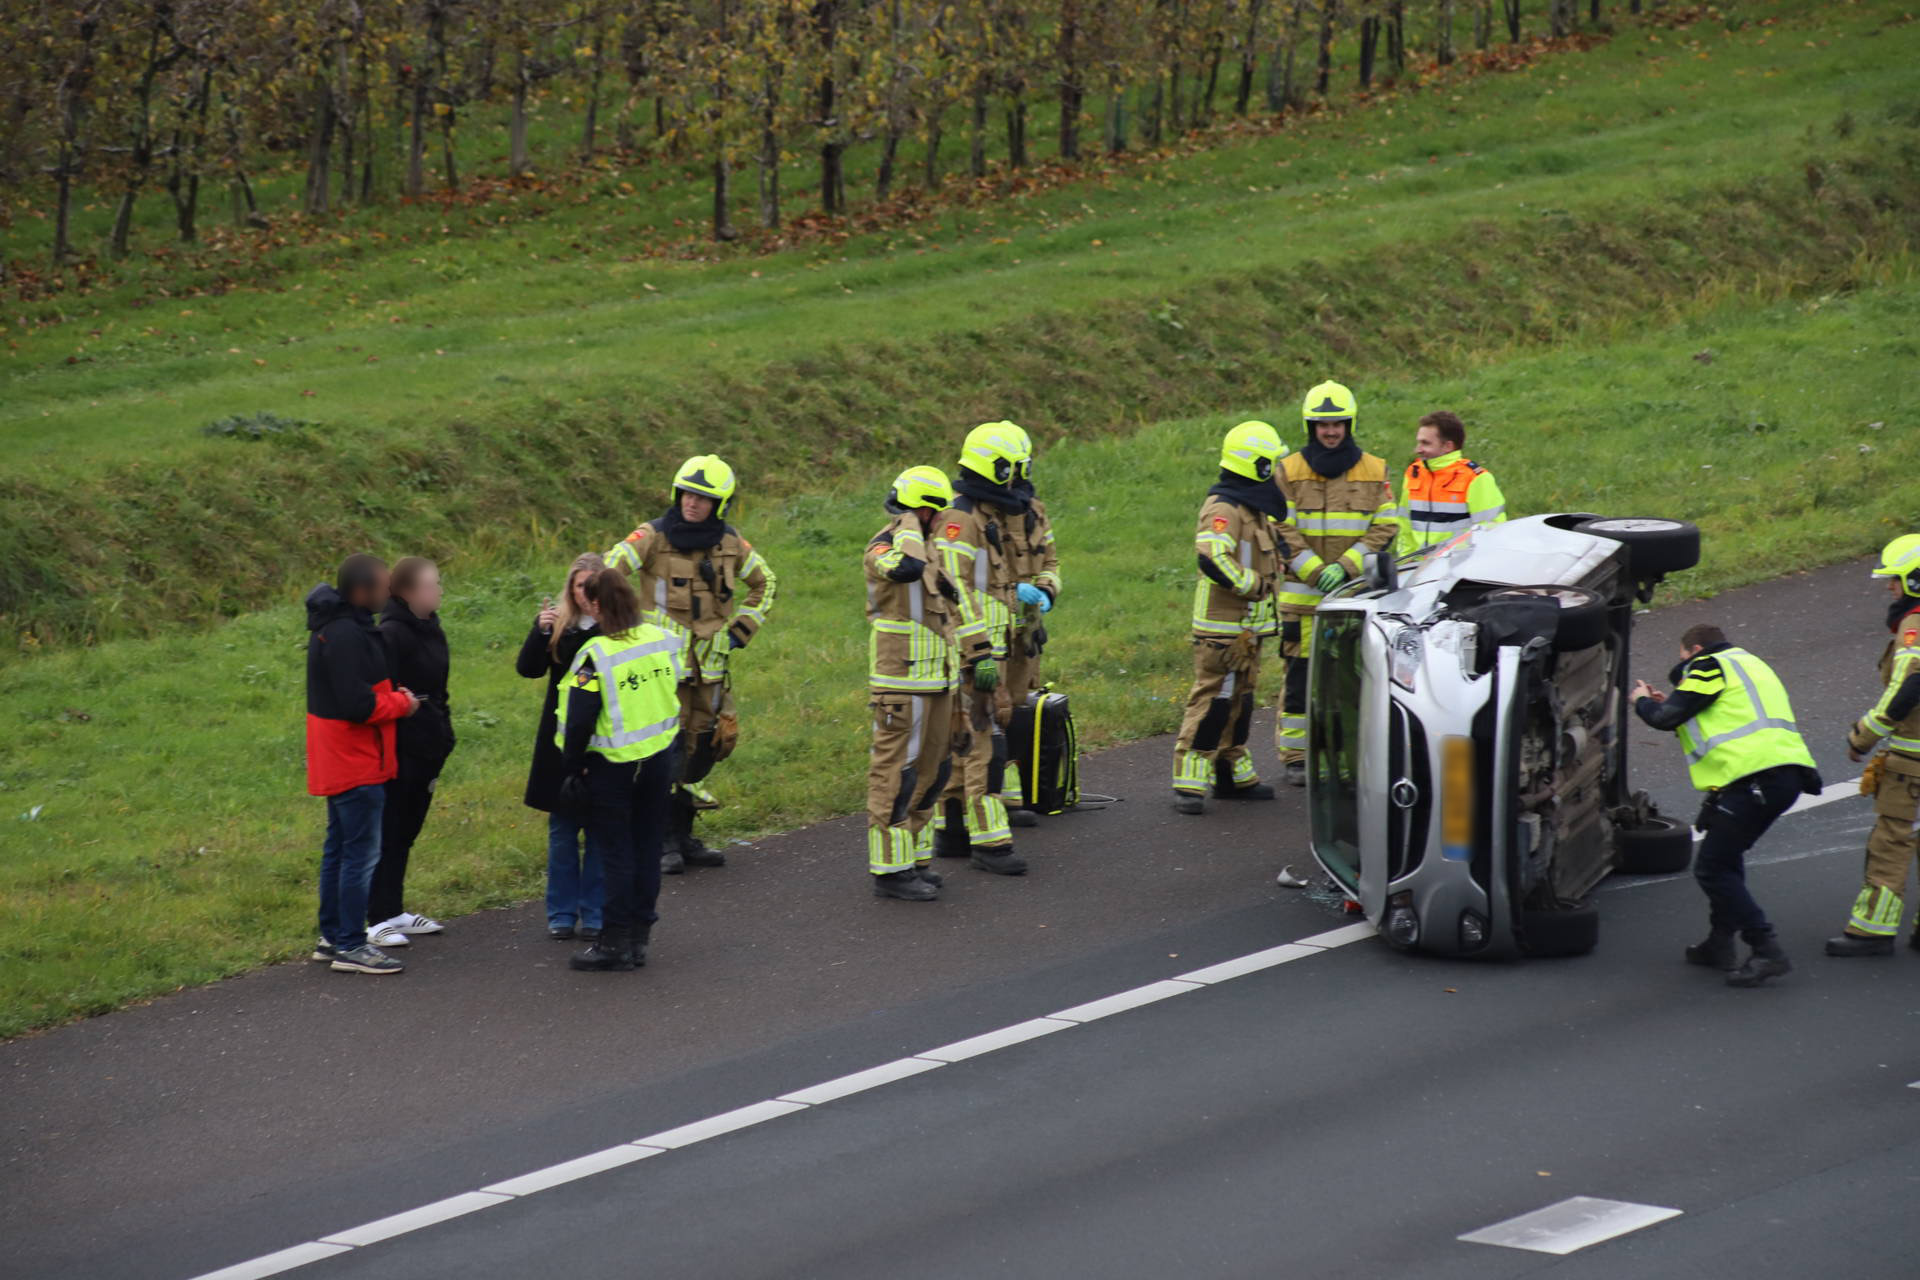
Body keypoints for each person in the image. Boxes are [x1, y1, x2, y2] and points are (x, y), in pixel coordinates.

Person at [606, 455, 777, 875]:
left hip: (711, 669)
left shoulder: (732, 543)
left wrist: (739, 632)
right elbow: (610, 569)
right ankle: (659, 839)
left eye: (702, 498)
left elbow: (766, 583)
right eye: (686, 494)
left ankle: (683, 835)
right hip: (661, 672)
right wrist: (624, 631)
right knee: (664, 749)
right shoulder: (653, 536)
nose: (691, 503)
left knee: (704, 748)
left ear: (719, 505)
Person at [1634, 623, 1820, 987]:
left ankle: (1766, 948)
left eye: (1682, 657)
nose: (1683, 666)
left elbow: (1665, 718)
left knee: (1713, 867)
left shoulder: (1708, 665)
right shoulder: (1749, 663)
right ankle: (1719, 944)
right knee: (1726, 859)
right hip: (1776, 775)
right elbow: (1712, 714)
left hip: (1756, 778)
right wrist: (1670, 702)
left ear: (1696, 648)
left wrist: (1640, 700)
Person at [555, 568, 681, 971]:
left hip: (613, 768)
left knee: (616, 855)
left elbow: (578, 719)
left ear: (594, 605)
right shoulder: (661, 639)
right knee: (647, 850)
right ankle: (640, 937)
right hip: (659, 759)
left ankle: (614, 943)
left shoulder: (595, 657)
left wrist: (573, 768)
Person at [1274, 380, 1400, 786]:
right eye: (1323, 425)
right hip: (1301, 599)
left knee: (1349, 678)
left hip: (1354, 598)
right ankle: (1296, 757)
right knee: (1300, 681)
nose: (1331, 432)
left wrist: (1345, 567)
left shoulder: (1375, 470)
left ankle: (1345, 756)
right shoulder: (1288, 470)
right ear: (1310, 427)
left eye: (1338, 424)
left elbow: (1386, 525)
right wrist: (1314, 570)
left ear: (1350, 424)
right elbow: (1279, 526)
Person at [305, 554, 422, 976]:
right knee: (359, 856)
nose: (389, 591)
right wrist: (402, 703)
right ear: (361, 591)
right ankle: (352, 945)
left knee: (338, 851)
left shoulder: (335, 629)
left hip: (338, 760)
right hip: (355, 762)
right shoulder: (347, 636)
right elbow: (358, 704)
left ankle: (332, 935)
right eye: (383, 585)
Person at [1172, 421, 1289, 815]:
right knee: (1214, 701)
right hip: (1221, 628)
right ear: (1254, 464)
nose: (1274, 471)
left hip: (1248, 631)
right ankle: (1189, 779)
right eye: (1269, 463)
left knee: (1242, 701)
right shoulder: (1224, 507)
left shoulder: (1252, 508)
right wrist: (1254, 585)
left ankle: (1229, 770)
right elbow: (1211, 557)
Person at [932, 422, 1030, 876]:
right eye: (1013, 470)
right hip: (972, 654)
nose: (1017, 479)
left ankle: (951, 832)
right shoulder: (961, 519)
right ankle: (991, 844)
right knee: (982, 744)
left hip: (981, 649)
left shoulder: (984, 514)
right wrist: (980, 654)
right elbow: (955, 592)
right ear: (997, 469)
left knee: (961, 742)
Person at [864, 466, 966, 901]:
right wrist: (907, 522)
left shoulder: (930, 548)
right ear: (920, 511)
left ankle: (915, 859)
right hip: (900, 680)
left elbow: (949, 606)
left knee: (935, 770)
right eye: (936, 511)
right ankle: (890, 870)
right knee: (896, 774)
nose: (944, 519)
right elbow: (903, 569)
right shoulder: (885, 546)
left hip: (938, 679)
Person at [1826, 535, 1920, 957]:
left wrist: (1862, 736)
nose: (1889, 589)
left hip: (1913, 763)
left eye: (1895, 581)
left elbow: (1908, 686)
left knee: (1891, 840)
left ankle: (1872, 931)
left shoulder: (1914, 628)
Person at [517, 552, 608, 941]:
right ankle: (560, 913)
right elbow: (528, 668)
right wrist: (540, 631)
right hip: (559, 741)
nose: (585, 594)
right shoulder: (562, 627)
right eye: (578, 587)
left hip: (602, 741)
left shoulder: (616, 629)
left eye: (592, 586)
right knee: (563, 830)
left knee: (600, 832)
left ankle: (594, 913)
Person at [367, 557, 454, 949]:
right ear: (409, 592)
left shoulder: (431, 627)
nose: (439, 590)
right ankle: (375, 916)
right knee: (390, 829)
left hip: (430, 745)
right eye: (432, 584)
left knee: (407, 831)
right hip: (402, 749)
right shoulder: (391, 634)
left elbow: (439, 687)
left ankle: (394, 909)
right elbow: (383, 695)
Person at [996, 423, 1062, 825]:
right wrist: (1012, 591)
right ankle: (996, 797)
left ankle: (1013, 790)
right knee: (993, 707)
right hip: (992, 627)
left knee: (1020, 702)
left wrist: (1046, 592)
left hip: (1026, 630)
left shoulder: (1034, 510)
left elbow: (1051, 560)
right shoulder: (976, 515)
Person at [1395, 410, 1507, 558]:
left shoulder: (1475, 478)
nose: (1418, 449)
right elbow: (1405, 526)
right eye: (1419, 442)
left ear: (1448, 446)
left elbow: (1491, 530)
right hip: (1417, 570)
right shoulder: (1414, 473)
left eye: (1425, 443)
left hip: (1457, 570)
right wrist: (1405, 562)